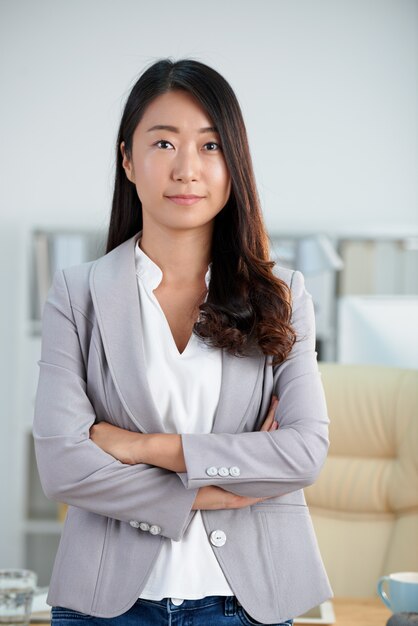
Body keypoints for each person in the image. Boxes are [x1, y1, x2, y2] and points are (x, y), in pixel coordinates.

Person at [33, 58, 333, 626]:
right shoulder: (77, 295)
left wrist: (141, 447)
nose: (187, 169)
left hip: (248, 602)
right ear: (128, 159)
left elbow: (301, 452)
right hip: (105, 603)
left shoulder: (284, 295)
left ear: (233, 163)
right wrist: (214, 489)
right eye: (164, 144)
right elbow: (63, 466)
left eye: (211, 145)